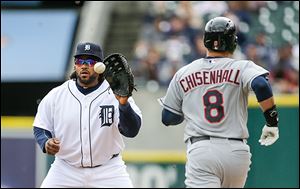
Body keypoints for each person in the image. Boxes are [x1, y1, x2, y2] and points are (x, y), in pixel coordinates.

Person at [159, 17, 279, 188]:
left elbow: (168, 117)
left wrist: (191, 110)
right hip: (237, 152)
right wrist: (271, 122)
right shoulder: (241, 67)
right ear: (233, 42)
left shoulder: (184, 72)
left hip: (202, 149)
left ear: (205, 41)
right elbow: (261, 84)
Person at [33, 42, 142, 188]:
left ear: (100, 67)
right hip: (66, 170)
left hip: (108, 170)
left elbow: (132, 130)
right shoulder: (57, 95)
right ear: (75, 65)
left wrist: (123, 104)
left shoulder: (115, 93)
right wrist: (45, 142)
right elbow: (40, 127)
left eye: (90, 61)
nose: (84, 65)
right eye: (80, 61)